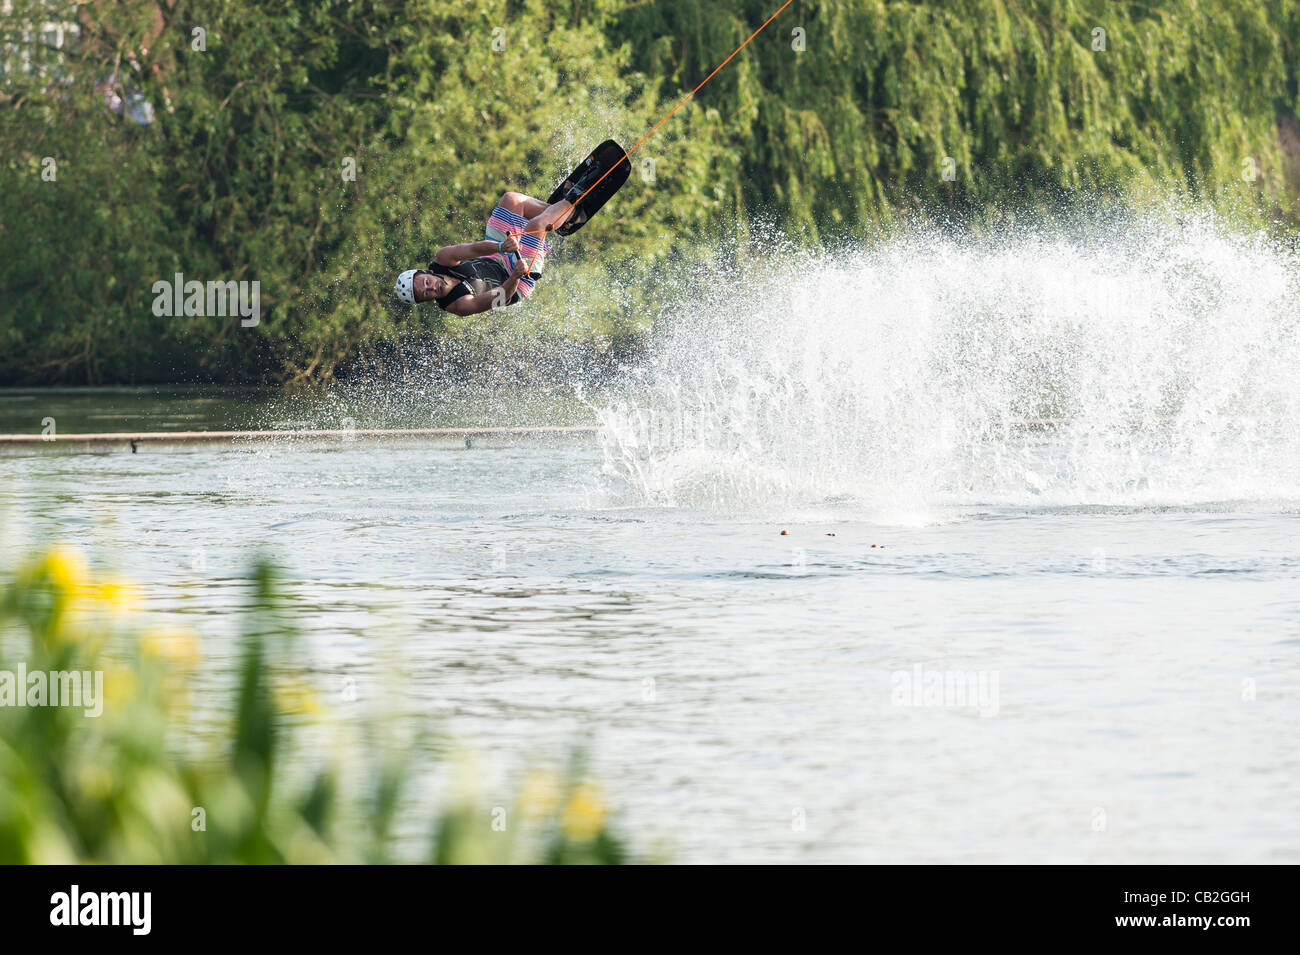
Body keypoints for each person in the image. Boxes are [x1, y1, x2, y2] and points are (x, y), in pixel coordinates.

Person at [394, 163, 604, 316]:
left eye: (426, 282)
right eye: (426, 294)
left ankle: (568, 215)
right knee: (535, 226)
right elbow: (502, 296)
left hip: (495, 255)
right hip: (516, 281)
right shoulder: (458, 305)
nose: (431, 288)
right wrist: (514, 276)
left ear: (426, 272)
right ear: (427, 300)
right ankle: (574, 201)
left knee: (511, 200)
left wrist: (502, 246)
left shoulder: (442, 258)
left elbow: (475, 249)